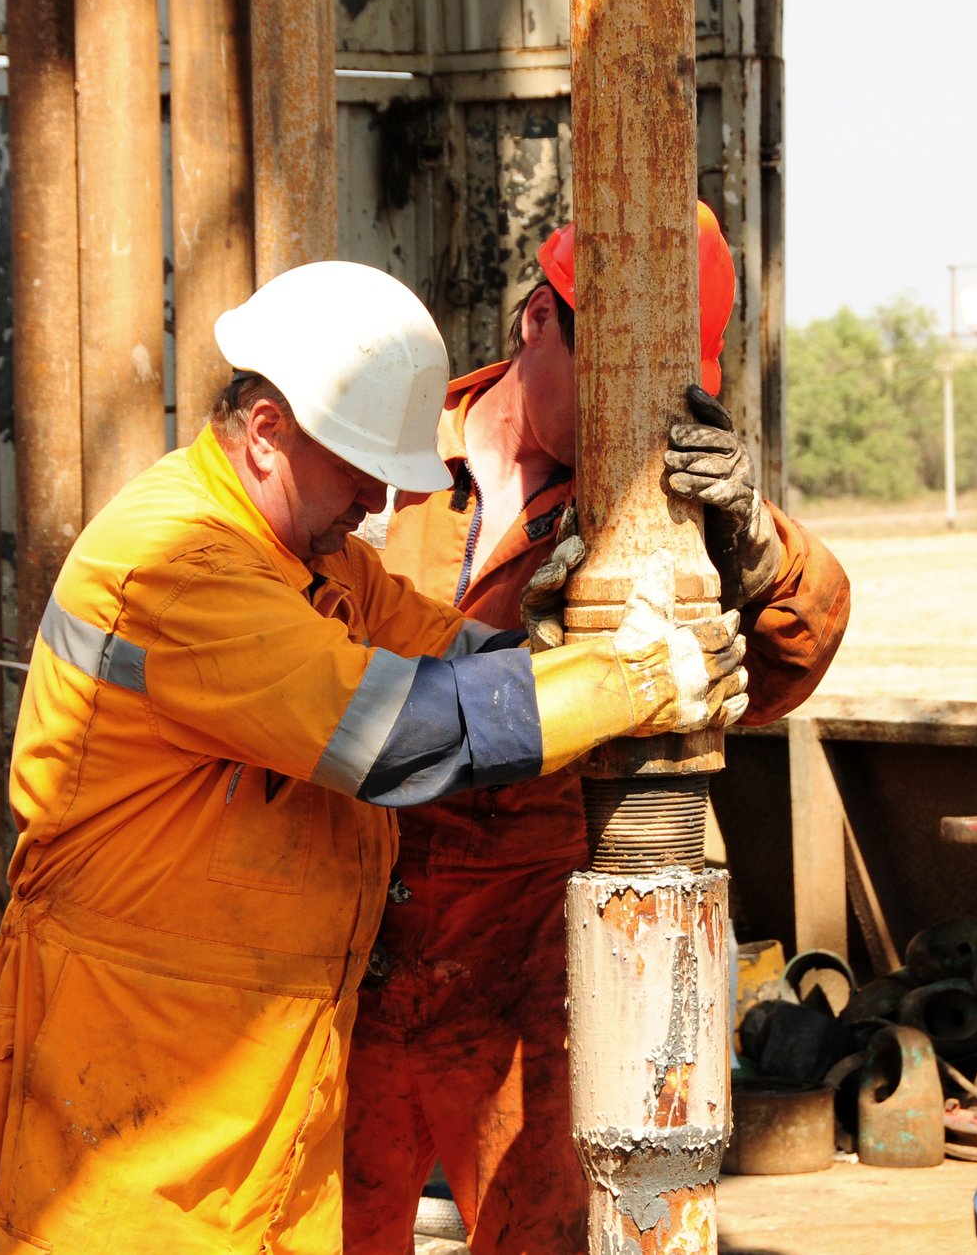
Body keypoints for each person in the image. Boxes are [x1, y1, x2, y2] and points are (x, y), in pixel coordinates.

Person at [0, 260, 751, 1255]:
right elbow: (389, 733)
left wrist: (583, 650)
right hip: (128, 1088)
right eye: (360, 466)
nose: (382, 496)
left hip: (257, 1088)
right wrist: (633, 682)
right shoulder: (178, 564)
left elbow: (450, 654)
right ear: (265, 433)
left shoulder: (314, 562)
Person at [345, 204, 852, 1253]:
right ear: (540, 321)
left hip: (529, 953)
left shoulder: (644, 513)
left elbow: (788, 659)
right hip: (353, 933)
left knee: (542, 1239)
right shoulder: (379, 468)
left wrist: (759, 546)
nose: (641, 410)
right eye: (616, 372)